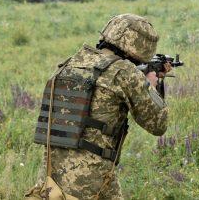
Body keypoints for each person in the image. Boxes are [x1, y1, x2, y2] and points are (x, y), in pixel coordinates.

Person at [25, 14, 170, 199]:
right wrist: (150, 85)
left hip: (49, 177)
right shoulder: (125, 73)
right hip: (91, 181)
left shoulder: (71, 63)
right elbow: (158, 125)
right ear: (141, 47)